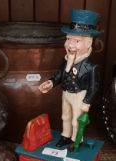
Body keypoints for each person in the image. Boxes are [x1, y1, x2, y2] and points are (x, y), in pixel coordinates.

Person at [39, 9, 100, 151]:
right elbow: (60, 74)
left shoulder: (91, 67)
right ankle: (65, 136)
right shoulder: (66, 60)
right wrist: (52, 82)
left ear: (88, 43)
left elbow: (93, 86)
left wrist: (87, 101)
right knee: (65, 116)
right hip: (66, 93)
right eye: (68, 39)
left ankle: (75, 140)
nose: (70, 45)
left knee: (76, 120)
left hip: (80, 95)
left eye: (76, 41)